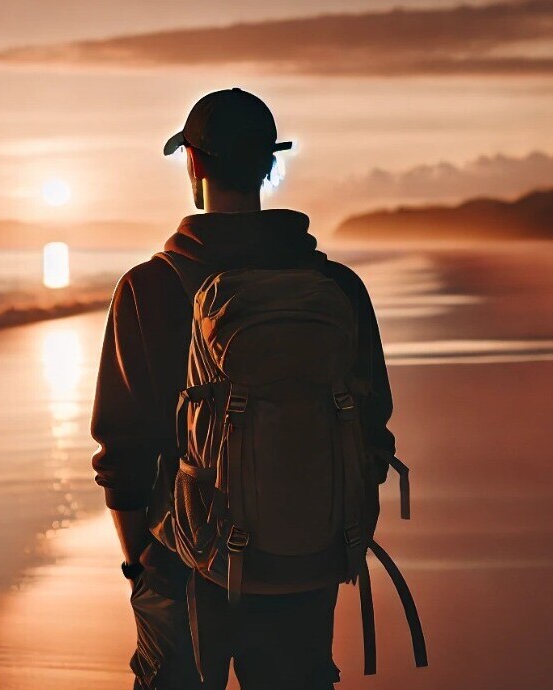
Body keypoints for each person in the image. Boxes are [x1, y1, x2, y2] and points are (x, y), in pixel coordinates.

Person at [91, 88, 396, 690]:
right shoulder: (335, 286)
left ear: (195, 164)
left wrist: (140, 567)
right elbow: (371, 430)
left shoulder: (148, 287)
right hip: (300, 562)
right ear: (268, 165)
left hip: (179, 562)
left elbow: (121, 454)